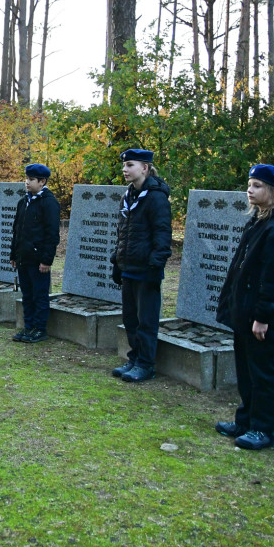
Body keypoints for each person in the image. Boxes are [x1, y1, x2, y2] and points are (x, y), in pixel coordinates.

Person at [214, 164, 274, 451]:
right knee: (246, 370)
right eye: (249, 184)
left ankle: (263, 429)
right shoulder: (259, 221)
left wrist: (263, 317)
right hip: (246, 312)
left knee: (263, 372)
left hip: (261, 318)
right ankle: (246, 420)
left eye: (257, 185)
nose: (250, 190)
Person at [109, 148, 172, 383]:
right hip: (129, 268)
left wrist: (156, 266)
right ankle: (134, 358)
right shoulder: (129, 195)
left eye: (130, 165)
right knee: (130, 319)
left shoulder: (156, 197)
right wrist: (118, 260)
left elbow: (162, 234)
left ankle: (146, 364)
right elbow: (123, 233)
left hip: (147, 270)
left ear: (145, 168)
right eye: (124, 165)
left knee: (146, 320)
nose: (125, 170)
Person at [10, 163, 61, 343]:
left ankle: (40, 328)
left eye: (31, 180)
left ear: (42, 181)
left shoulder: (49, 203)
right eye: (26, 179)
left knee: (39, 295)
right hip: (24, 257)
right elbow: (17, 230)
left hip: (38, 259)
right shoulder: (23, 202)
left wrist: (46, 260)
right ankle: (28, 326)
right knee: (27, 295)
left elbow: (52, 234)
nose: (27, 182)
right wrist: (13, 255)